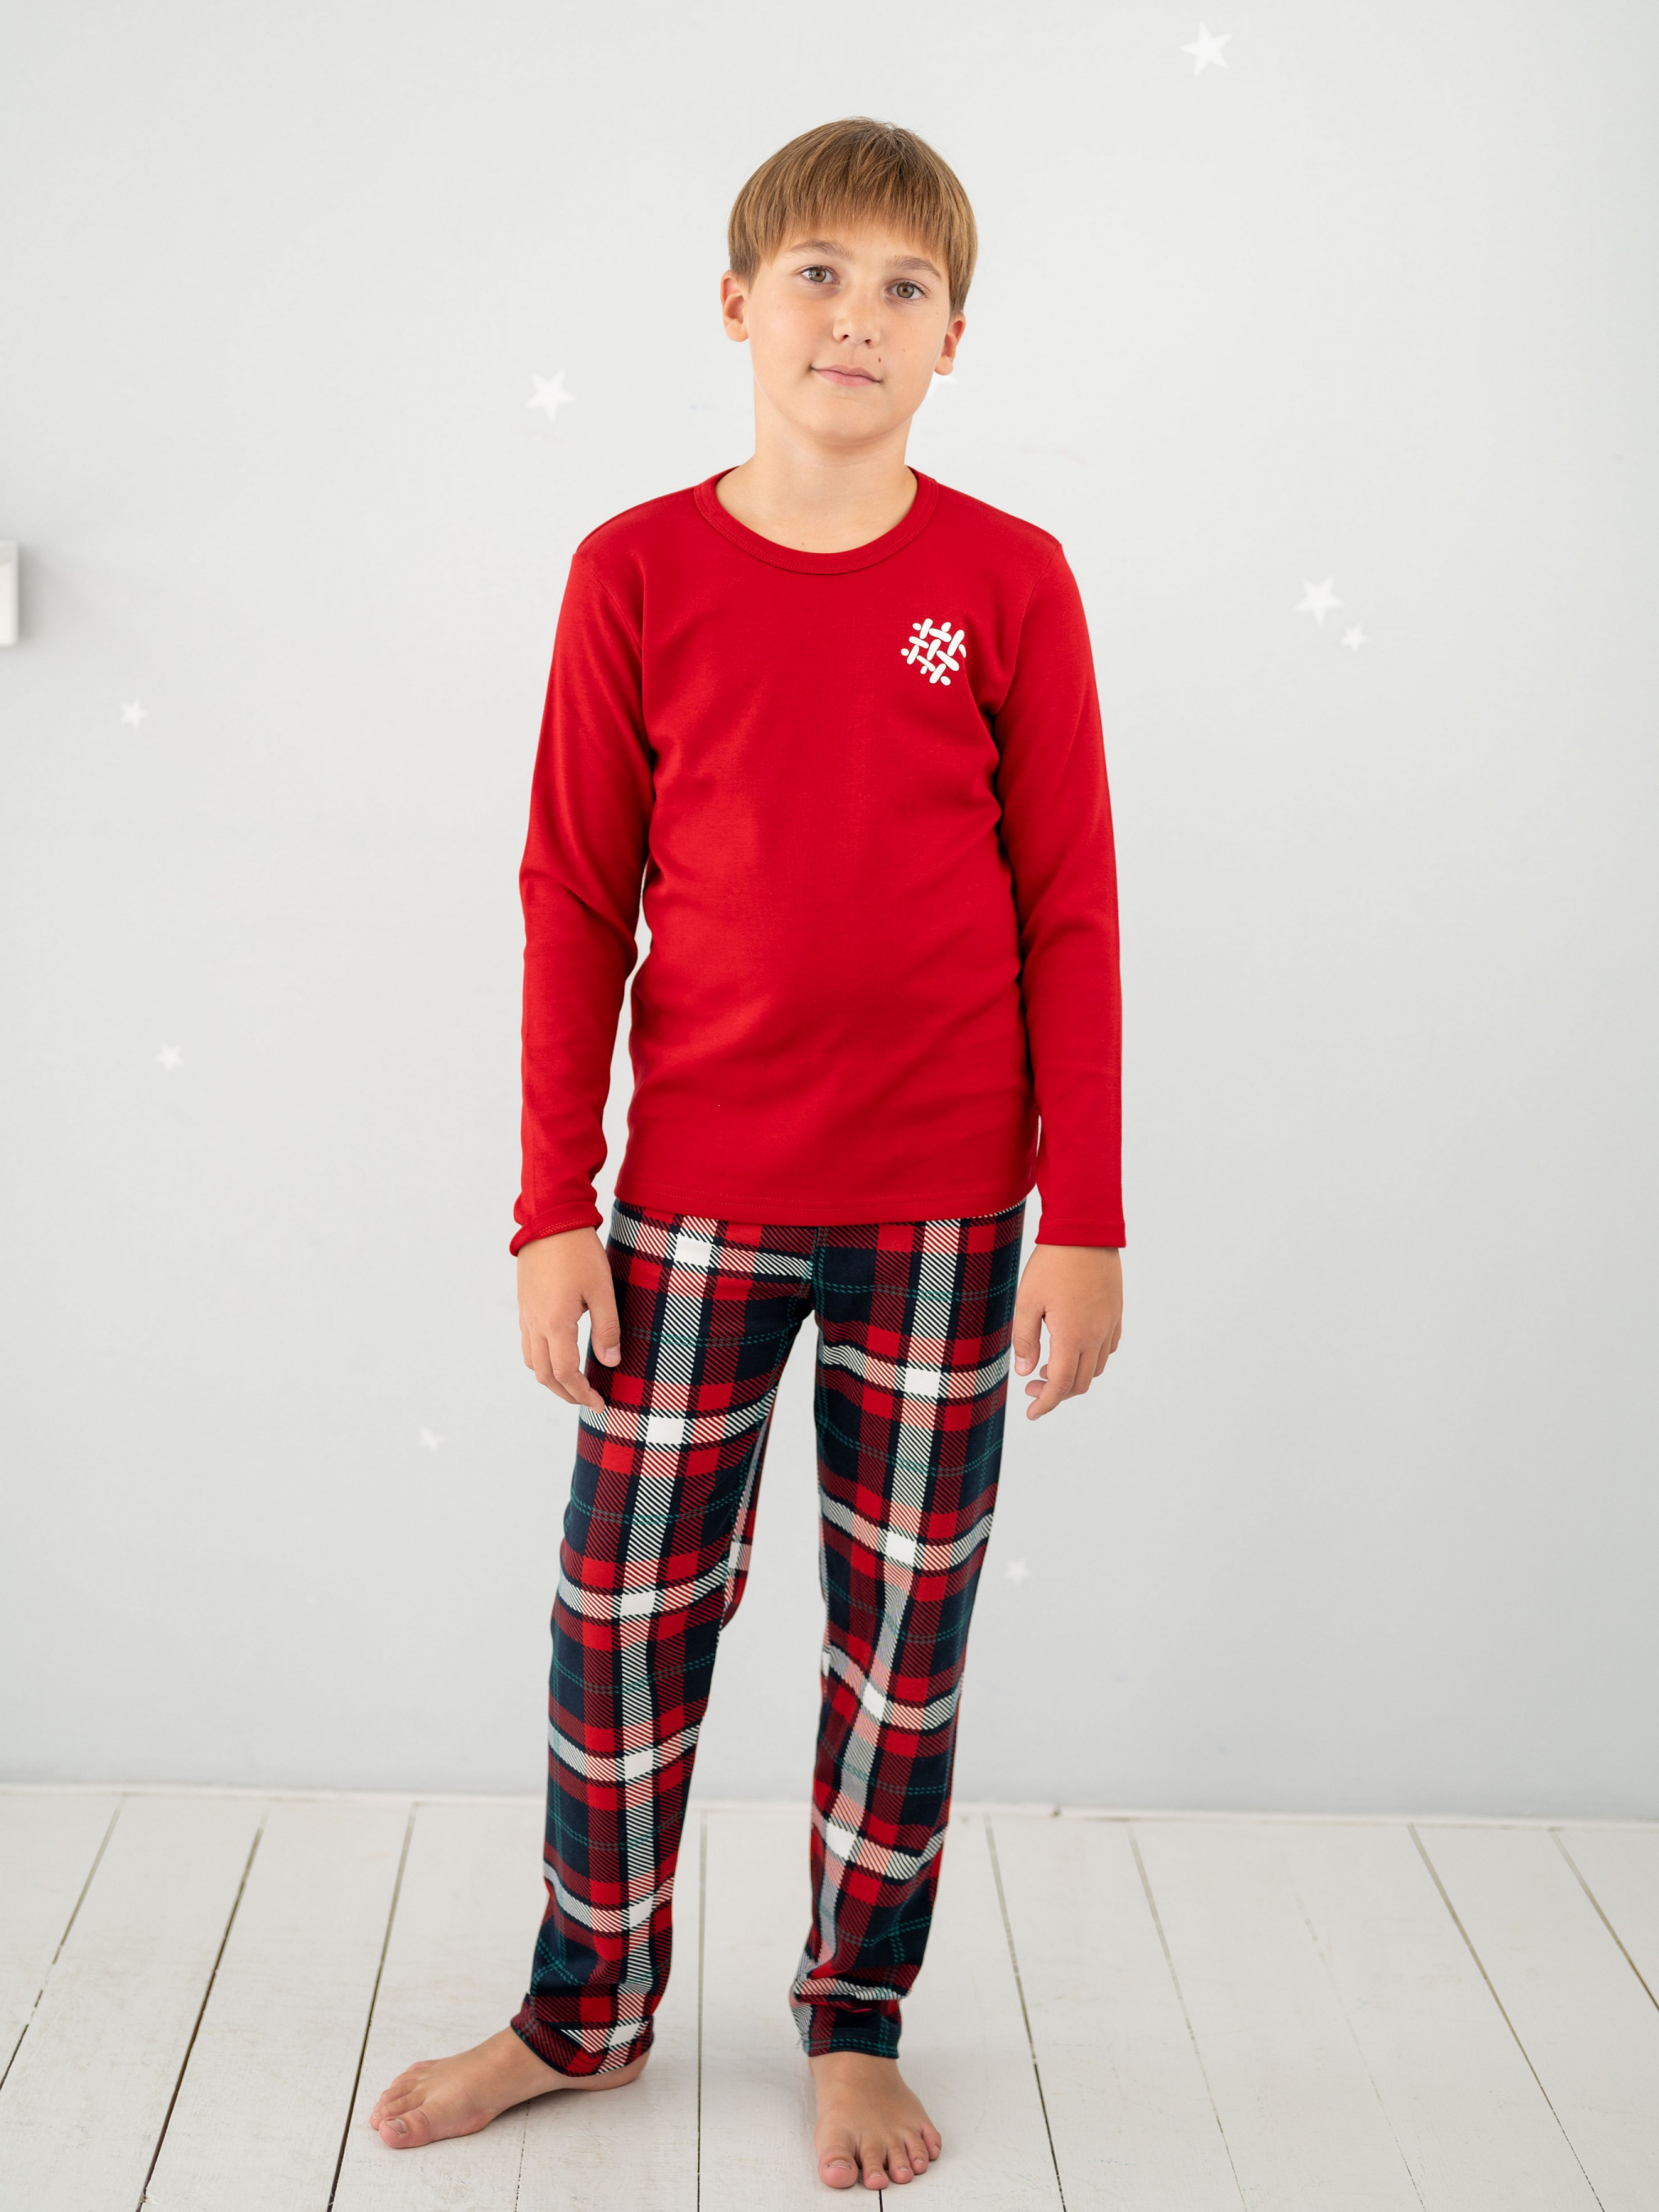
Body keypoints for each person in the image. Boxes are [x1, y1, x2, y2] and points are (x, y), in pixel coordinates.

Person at [369, 114, 1125, 2192]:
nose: (853, 317)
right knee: (624, 1619)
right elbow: (572, 897)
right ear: (733, 304)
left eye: (902, 287)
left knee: (900, 1641)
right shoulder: (632, 572)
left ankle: (853, 2018)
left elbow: (1068, 906)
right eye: (816, 274)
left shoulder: (1007, 581)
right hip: (687, 1211)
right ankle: (583, 2010)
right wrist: (549, 1209)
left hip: (950, 1219)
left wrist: (1083, 1219)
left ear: (954, 338)